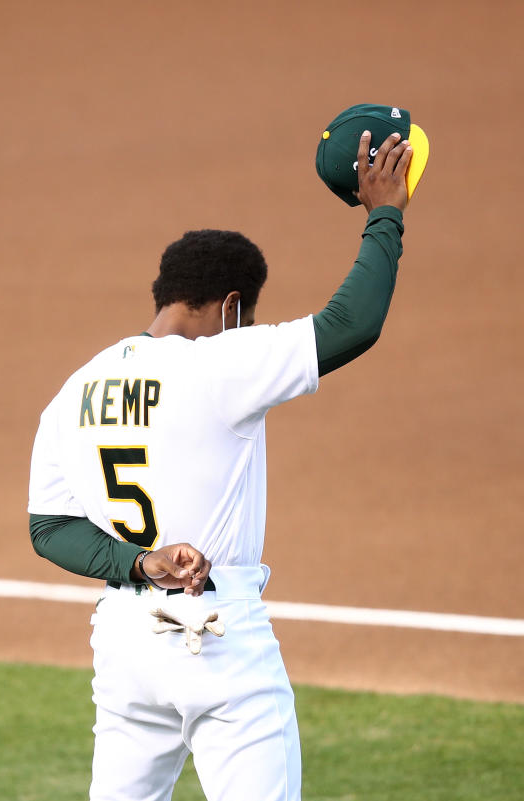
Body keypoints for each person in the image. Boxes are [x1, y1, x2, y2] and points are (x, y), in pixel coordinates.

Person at [27, 129, 413, 801]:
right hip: (218, 634)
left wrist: (140, 562)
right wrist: (385, 214)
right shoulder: (219, 363)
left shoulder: (74, 389)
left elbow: (50, 526)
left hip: (125, 642)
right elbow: (354, 324)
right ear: (231, 307)